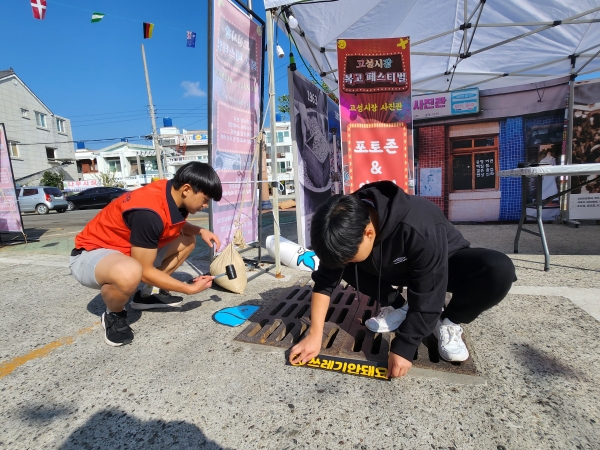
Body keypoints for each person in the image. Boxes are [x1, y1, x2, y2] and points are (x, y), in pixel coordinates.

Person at [289, 181, 516, 378]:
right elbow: (324, 282)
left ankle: (448, 321)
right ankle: (399, 306)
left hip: (441, 265)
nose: (345, 259)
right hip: (388, 268)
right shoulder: (344, 226)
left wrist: (404, 346)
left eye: (349, 255)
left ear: (369, 233)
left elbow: (429, 291)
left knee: (498, 269)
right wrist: (315, 334)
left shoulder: (420, 223)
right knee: (343, 266)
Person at [70, 162, 222, 347]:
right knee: (131, 272)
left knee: (188, 240)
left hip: (124, 252)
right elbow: (145, 271)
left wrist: (199, 231)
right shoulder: (148, 213)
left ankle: (146, 295)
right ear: (187, 189)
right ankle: (113, 314)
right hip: (90, 255)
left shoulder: (171, 191)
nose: (205, 205)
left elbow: (171, 224)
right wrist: (187, 288)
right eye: (205, 199)